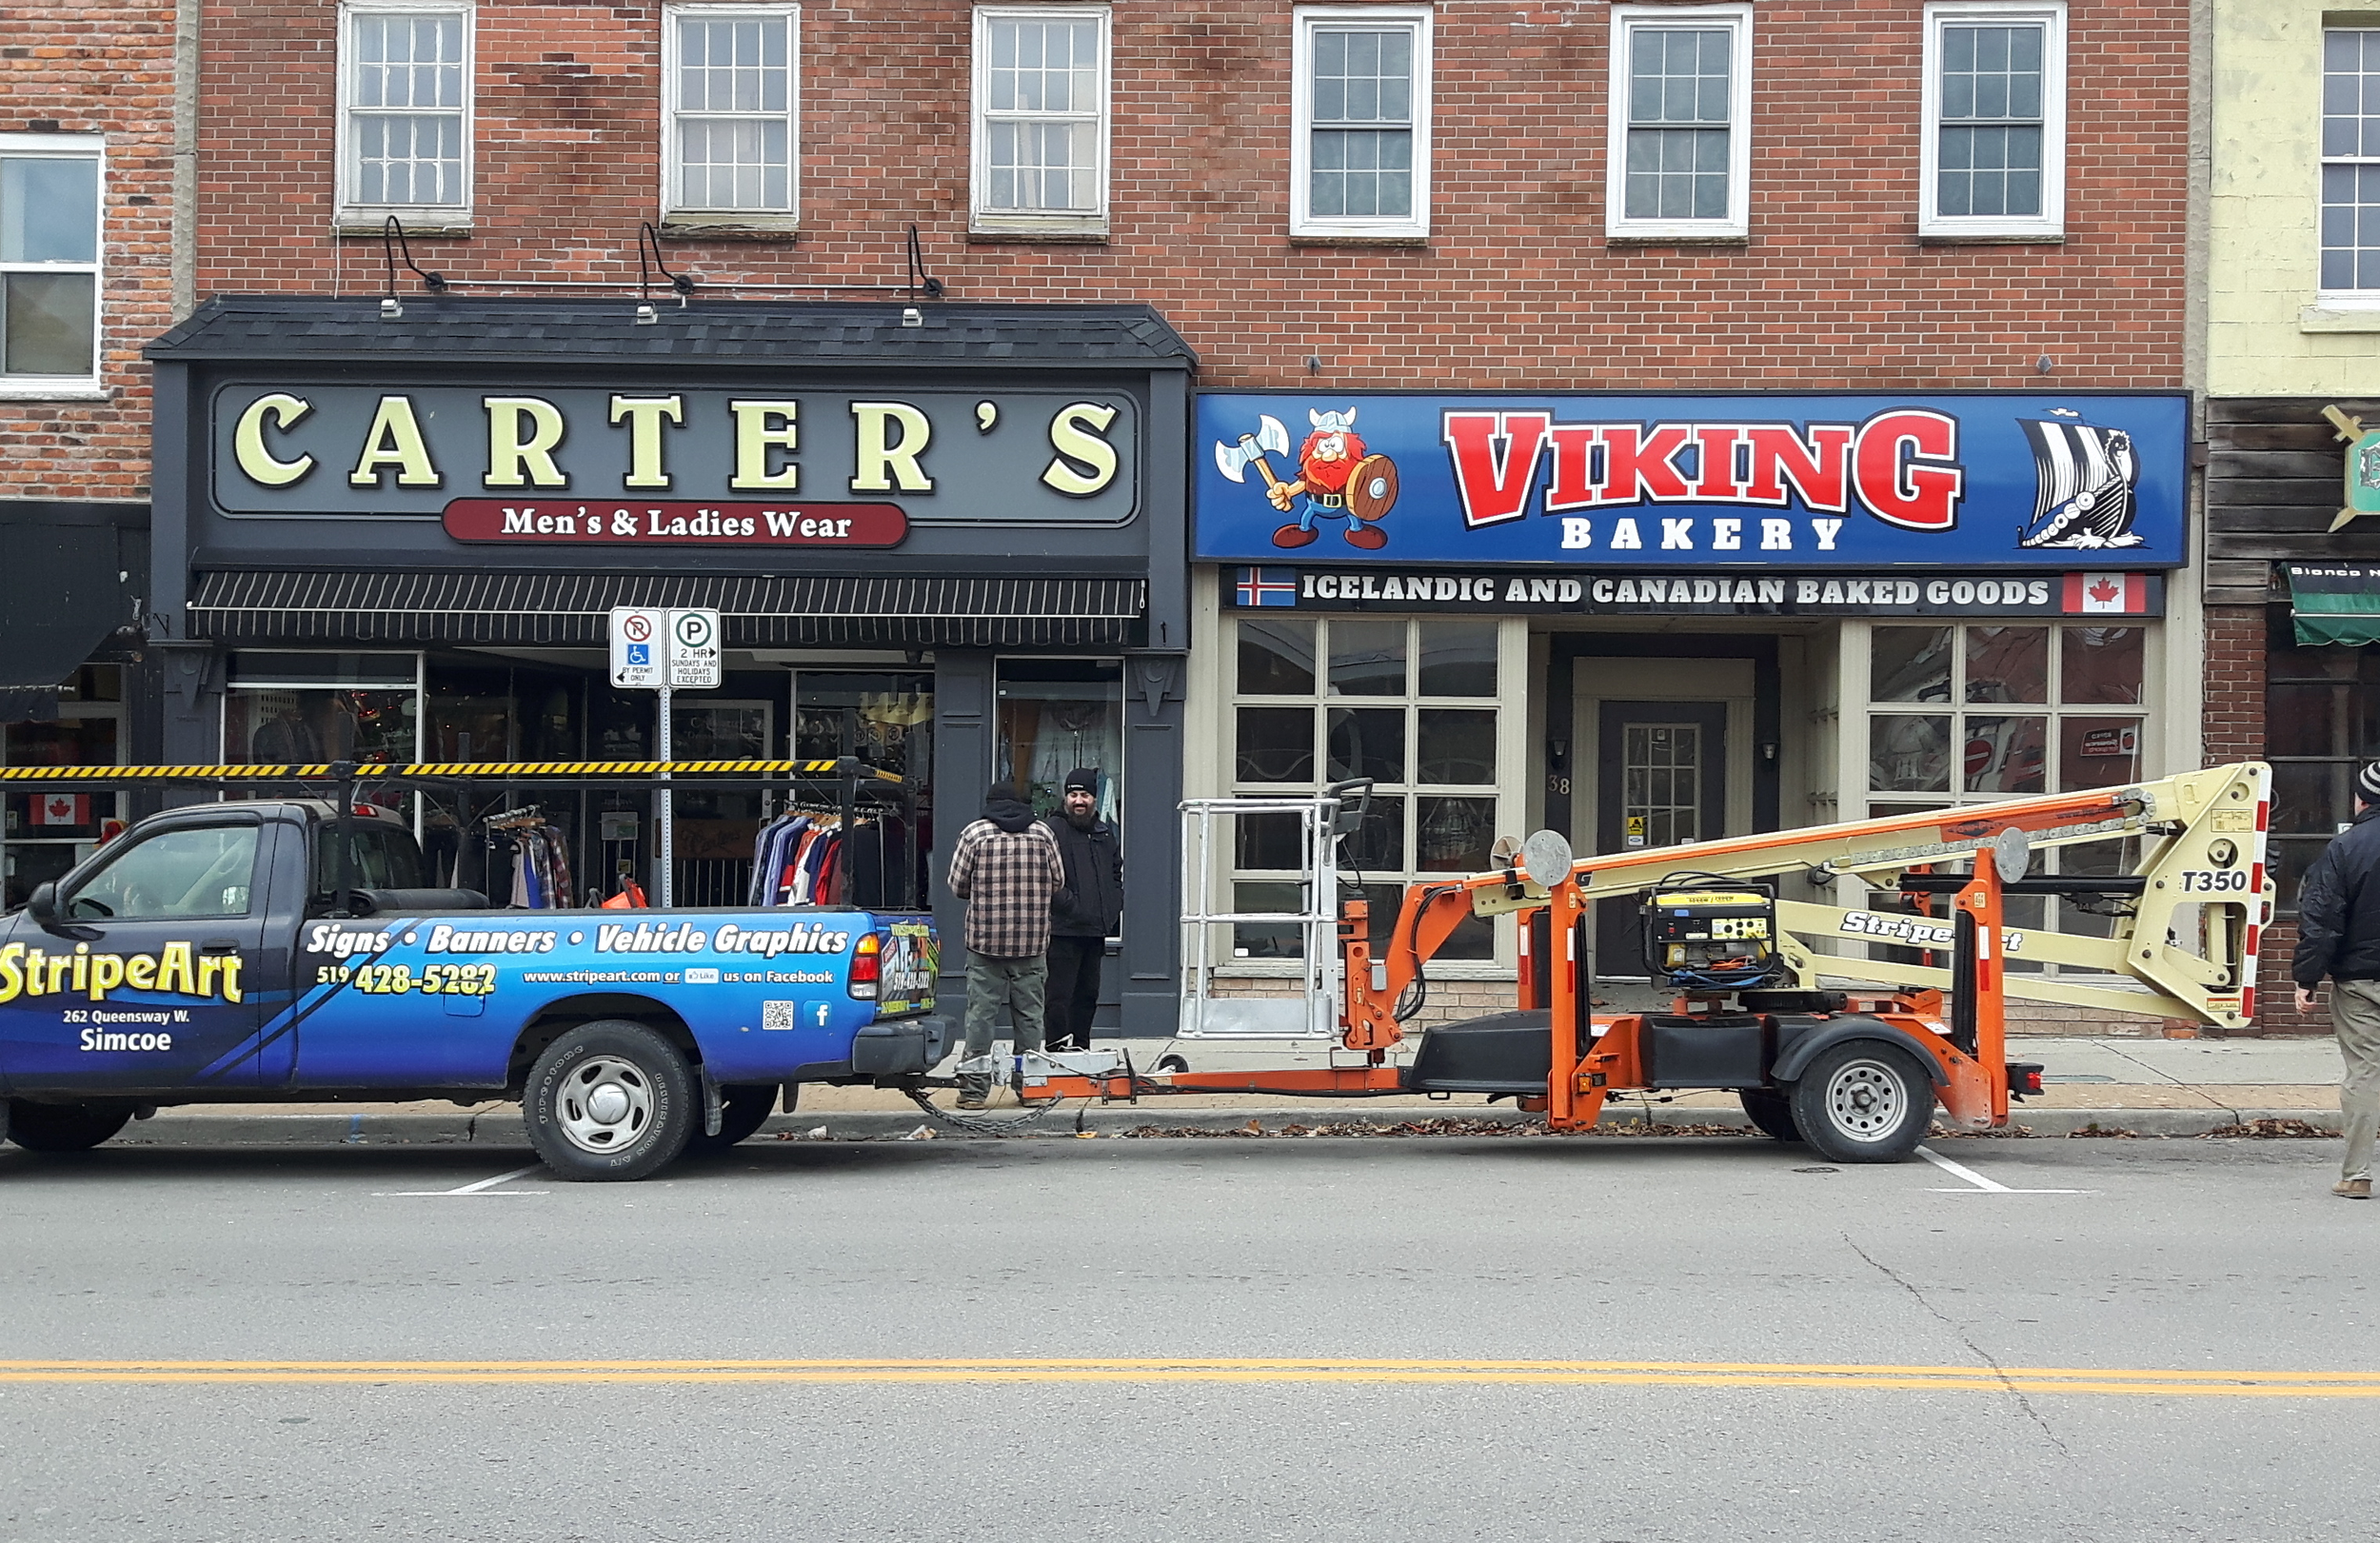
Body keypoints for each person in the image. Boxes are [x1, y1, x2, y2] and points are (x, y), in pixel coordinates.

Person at [944, 781, 1066, 1109]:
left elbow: (956, 884)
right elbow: (1058, 882)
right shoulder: (1043, 834)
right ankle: (1030, 1088)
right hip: (1031, 943)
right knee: (1029, 1017)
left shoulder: (975, 834)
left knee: (980, 1017)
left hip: (985, 942)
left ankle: (973, 1092)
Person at [2291, 759, 2380, 1200]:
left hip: (2361, 982)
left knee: (2365, 1073)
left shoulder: (2345, 849)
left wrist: (2307, 978)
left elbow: (2322, 920)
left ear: (2361, 801)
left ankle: (2357, 1174)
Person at [1041, 767, 1123, 1054]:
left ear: (1094, 798)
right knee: (1058, 998)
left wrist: (1114, 905)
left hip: (1095, 931)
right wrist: (1069, 905)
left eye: (1085, 795)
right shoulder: (1052, 830)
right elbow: (1045, 877)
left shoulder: (1103, 833)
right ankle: (1057, 1052)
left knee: (1088, 996)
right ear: (1066, 797)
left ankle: (1082, 1049)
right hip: (1062, 930)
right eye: (1073, 794)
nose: (1079, 800)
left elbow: (1116, 872)